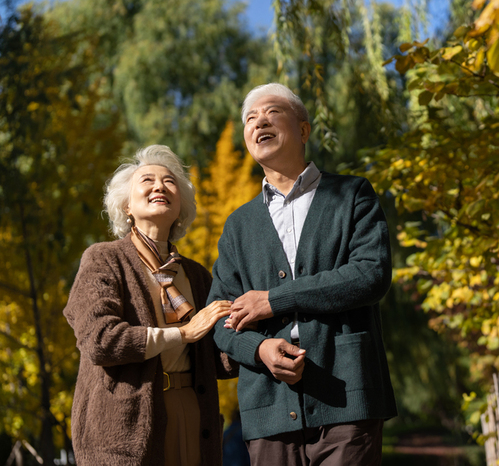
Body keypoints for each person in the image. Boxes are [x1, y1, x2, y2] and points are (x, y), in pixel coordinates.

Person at [209, 83, 397, 466]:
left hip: (347, 397)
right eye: (250, 118)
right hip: (268, 411)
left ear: (304, 130)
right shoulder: (238, 226)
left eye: (272, 112)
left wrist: (274, 299)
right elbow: (219, 318)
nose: (259, 120)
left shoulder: (352, 195)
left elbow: (370, 274)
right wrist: (258, 350)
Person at [63, 145, 238, 466]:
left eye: (169, 182)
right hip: (126, 429)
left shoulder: (197, 275)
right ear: (126, 205)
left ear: (181, 206)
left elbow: (219, 360)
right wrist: (182, 334)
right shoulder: (103, 259)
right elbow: (100, 341)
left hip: (195, 417)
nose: (159, 186)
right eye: (147, 180)